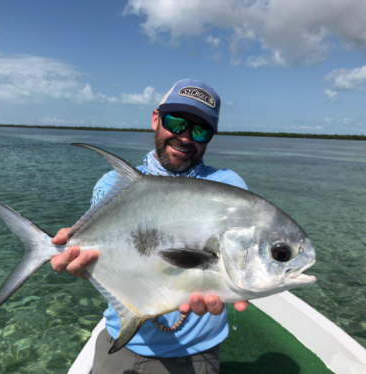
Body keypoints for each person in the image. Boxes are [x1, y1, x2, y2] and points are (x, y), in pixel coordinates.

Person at [51, 79, 248, 374]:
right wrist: (81, 264)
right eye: (176, 122)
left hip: (196, 355)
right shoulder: (112, 185)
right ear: (156, 119)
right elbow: (101, 260)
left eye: (200, 130)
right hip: (120, 341)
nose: (185, 137)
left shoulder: (227, 188)